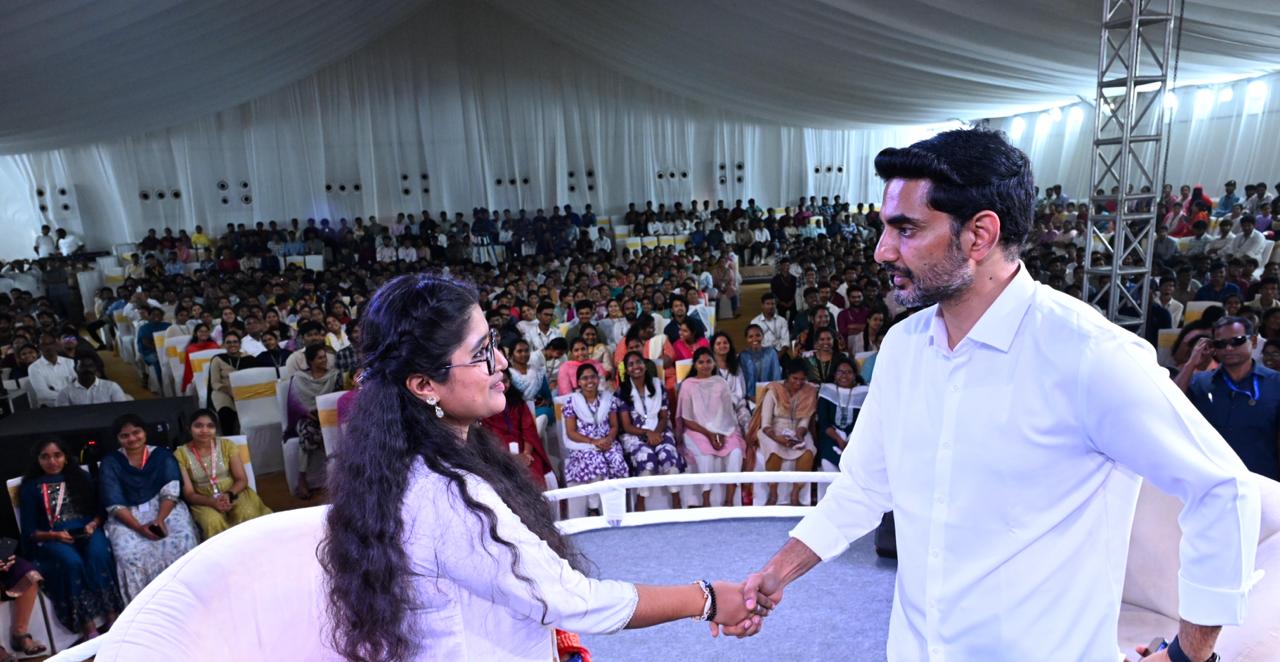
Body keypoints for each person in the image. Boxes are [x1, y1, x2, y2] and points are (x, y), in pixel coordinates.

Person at [729, 129, 1259, 662]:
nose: (881, 250)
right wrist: (777, 572)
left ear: (979, 235)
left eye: (905, 229)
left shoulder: (1088, 354)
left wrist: (1188, 656)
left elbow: (1221, 488)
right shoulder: (903, 348)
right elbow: (863, 488)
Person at [321, 275, 763, 661]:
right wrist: (705, 598)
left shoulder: (410, 460)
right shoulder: (446, 494)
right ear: (423, 385)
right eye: (481, 353)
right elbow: (572, 599)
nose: (500, 362)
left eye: (493, 343)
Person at [19, 439, 121, 639]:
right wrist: (54, 535)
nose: (52, 461)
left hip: (87, 530)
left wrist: (93, 524)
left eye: (57, 455)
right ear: (37, 460)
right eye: (45, 457)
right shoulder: (30, 488)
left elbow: (100, 511)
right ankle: (88, 626)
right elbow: (29, 530)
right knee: (71, 562)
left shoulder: (81, 477)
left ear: (65, 457)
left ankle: (113, 617)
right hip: (52, 537)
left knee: (99, 554)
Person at [98, 414, 199, 603]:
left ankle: (188, 598)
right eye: (125, 435)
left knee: (182, 540)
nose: (132, 438)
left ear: (145, 433)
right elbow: (114, 502)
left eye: (136, 432)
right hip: (127, 515)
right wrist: (139, 527)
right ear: (118, 439)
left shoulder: (161, 456)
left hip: (164, 508)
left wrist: (159, 520)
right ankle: (146, 605)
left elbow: (171, 492)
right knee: (128, 553)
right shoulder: (111, 462)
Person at [1187, 316, 1280, 480]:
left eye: (1237, 341)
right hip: (1212, 479)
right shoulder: (1200, 382)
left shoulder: (1275, 382)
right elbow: (1166, 405)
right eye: (1220, 344)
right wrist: (1192, 363)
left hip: (1261, 479)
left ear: (1253, 341)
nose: (1228, 348)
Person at [174, 410, 273, 539]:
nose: (204, 430)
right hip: (203, 499)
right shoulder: (180, 454)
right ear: (189, 428)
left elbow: (241, 479)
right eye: (198, 426)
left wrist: (228, 494)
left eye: (210, 426)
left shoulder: (227, 446)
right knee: (211, 521)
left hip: (234, 492)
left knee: (247, 513)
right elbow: (189, 494)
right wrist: (211, 502)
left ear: (216, 429)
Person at [678, 348, 747, 508]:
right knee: (706, 456)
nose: (705, 365)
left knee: (736, 453)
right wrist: (709, 434)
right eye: (700, 362)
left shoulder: (720, 383)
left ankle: (729, 501)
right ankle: (706, 502)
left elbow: (727, 414)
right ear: (695, 365)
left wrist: (720, 432)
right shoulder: (688, 385)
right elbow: (687, 419)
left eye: (708, 361)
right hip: (697, 430)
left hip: (724, 428)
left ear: (714, 363)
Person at [616, 352, 685, 511]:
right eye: (631, 364)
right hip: (634, 434)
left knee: (668, 454)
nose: (636, 367)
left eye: (638, 362)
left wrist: (657, 433)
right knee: (646, 458)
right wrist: (648, 433)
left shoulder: (658, 386)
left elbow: (664, 416)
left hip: (660, 429)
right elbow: (626, 426)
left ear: (645, 365)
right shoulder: (622, 392)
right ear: (626, 370)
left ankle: (676, 499)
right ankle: (640, 502)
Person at [750, 359, 817, 505]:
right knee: (774, 450)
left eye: (802, 379)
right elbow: (765, 423)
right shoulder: (774, 390)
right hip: (772, 431)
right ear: (787, 375)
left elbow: (805, 421)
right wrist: (777, 438)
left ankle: (795, 493)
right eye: (795, 378)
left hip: (798, 431)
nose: (798, 383)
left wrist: (798, 435)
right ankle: (773, 492)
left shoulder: (809, 391)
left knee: (808, 451)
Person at [286, 344, 343, 499]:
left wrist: (323, 415)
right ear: (310, 361)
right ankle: (302, 478)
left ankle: (336, 477)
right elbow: (294, 403)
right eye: (320, 358)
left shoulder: (334, 375)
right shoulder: (299, 378)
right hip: (306, 418)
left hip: (328, 417)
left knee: (329, 434)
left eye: (325, 357)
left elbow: (336, 398)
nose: (324, 360)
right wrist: (308, 413)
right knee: (308, 434)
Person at [481, 370, 554, 490]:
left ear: (510, 382)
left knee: (534, 471)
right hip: (500, 453)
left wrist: (526, 454)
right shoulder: (485, 408)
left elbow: (528, 429)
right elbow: (488, 437)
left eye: (505, 381)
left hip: (524, 448)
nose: (502, 385)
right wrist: (509, 458)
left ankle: (537, 501)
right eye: (497, 382)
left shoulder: (518, 403)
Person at [562, 363, 628, 492]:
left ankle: (616, 500)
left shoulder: (608, 398)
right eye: (585, 378)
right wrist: (594, 441)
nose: (590, 381)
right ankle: (596, 503)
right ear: (578, 382)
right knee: (597, 463)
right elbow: (571, 432)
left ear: (598, 379)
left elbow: (614, 425)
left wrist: (609, 439)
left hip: (608, 442)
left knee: (617, 461)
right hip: (584, 445)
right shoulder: (572, 402)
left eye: (593, 377)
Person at [815, 357, 865, 470]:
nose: (844, 375)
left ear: (855, 375)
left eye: (849, 372)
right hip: (831, 436)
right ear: (834, 374)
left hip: (856, 437)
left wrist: (851, 439)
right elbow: (824, 422)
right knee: (827, 460)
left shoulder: (863, 393)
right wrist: (839, 440)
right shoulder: (827, 391)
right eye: (840, 372)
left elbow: (866, 422)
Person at [208, 330, 252, 435]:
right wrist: (229, 391)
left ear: (240, 344)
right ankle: (229, 438)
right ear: (224, 345)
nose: (232, 344)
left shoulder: (248, 358)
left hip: (243, 391)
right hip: (223, 391)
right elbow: (214, 382)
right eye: (228, 342)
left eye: (235, 342)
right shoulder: (217, 359)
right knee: (226, 414)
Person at [710, 332, 752, 433]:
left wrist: (732, 403)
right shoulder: (709, 367)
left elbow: (740, 391)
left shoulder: (736, 366)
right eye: (718, 343)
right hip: (717, 409)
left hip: (737, 406)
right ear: (713, 347)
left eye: (725, 343)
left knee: (749, 426)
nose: (722, 346)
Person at [507, 339, 553, 421]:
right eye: (519, 351)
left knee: (547, 412)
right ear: (511, 354)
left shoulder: (538, 372)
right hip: (517, 411)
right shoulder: (508, 375)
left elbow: (547, 397)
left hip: (538, 409)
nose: (524, 354)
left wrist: (544, 402)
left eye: (526, 351)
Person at [55, 357, 131, 406]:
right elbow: (63, 416)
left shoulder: (111, 387)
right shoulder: (65, 392)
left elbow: (121, 410)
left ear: (96, 369)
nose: (87, 369)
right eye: (83, 366)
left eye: (90, 366)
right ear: (75, 369)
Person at [27, 338, 76, 407]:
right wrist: (69, 396)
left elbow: (78, 386)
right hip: (51, 408)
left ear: (56, 344)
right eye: (44, 345)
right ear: (39, 347)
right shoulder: (34, 368)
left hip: (74, 404)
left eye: (51, 343)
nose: (48, 347)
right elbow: (43, 394)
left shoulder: (70, 362)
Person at [739, 324, 781, 398]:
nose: (754, 339)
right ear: (747, 339)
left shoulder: (771, 353)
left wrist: (773, 394)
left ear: (762, 336)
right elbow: (743, 380)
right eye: (750, 337)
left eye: (758, 335)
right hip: (749, 397)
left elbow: (776, 376)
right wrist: (750, 397)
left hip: (770, 394)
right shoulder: (744, 356)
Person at [182, 323, 219, 391]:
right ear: (196, 334)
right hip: (196, 380)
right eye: (201, 331)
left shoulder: (215, 346)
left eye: (206, 331)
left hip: (214, 378)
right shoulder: (190, 349)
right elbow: (188, 368)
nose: (204, 333)